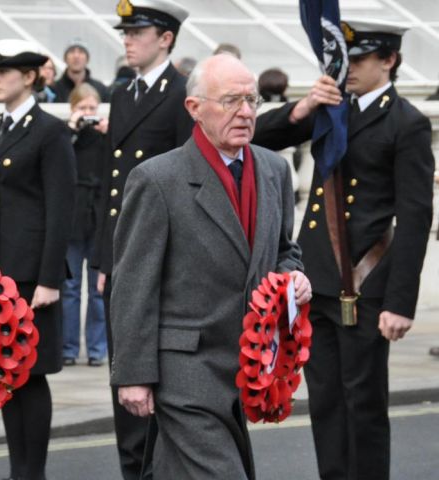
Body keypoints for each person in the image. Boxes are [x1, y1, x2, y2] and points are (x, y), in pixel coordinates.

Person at [111, 52, 311, 479]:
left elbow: (282, 250)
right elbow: (133, 284)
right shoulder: (157, 179)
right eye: (230, 101)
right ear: (194, 108)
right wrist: (133, 374)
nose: (244, 112)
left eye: (251, 101)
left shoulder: (273, 169)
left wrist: (294, 275)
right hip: (185, 370)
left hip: (245, 365)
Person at [253, 19, 435, 480]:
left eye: (357, 60)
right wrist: (303, 107)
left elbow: (415, 218)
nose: (346, 69)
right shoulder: (333, 109)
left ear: (388, 61)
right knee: (327, 402)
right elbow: (259, 136)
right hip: (318, 278)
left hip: (365, 282)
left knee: (364, 403)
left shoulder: (406, 123)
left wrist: (399, 303)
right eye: (343, 60)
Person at [92, 1, 193, 478]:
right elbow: (112, 186)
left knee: (152, 384)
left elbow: (188, 184)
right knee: (123, 378)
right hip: (124, 256)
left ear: (166, 39)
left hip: (161, 259)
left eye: (138, 32)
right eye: (125, 33)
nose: (127, 40)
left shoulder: (182, 95)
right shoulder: (123, 93)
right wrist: (104, 258)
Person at [0, 39, 75, 480]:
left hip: (32, 278)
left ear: (30, 76)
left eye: (4, 70)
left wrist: (49, 279)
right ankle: (19, 470)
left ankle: (33, 472)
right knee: (5, 373)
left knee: (30, 374)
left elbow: (61, 207)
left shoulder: (50, 131)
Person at [62, 83, 108, 368]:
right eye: (83, 108)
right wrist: (72, 128)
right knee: (70, 287)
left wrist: (109, 132)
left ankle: (96, 348)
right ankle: (67, 347)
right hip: (73, 217)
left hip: (98, 215)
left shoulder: (105, 136)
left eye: (92, 108)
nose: (88, 114)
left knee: (97, 289)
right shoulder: (68, 136)